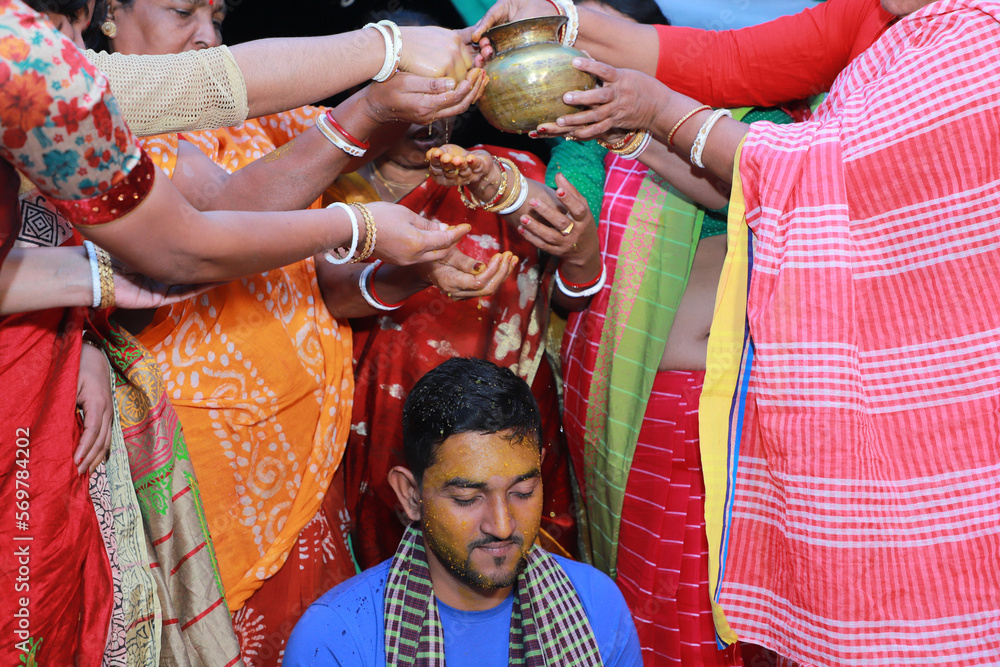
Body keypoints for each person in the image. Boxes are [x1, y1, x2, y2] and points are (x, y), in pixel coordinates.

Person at [496, 0, 1000, 663]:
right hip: (735, 409)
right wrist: (564, 23)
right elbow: (724, 62)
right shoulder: (894, 32)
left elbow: (811, 162)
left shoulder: (976, 42)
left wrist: (659, 115)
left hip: (917, 420)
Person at [284, 357, 642, 666]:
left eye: (522, 492)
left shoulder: (595, 606)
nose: (502, 526)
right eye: (468, 498)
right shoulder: (336, 638)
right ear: (411, 496)